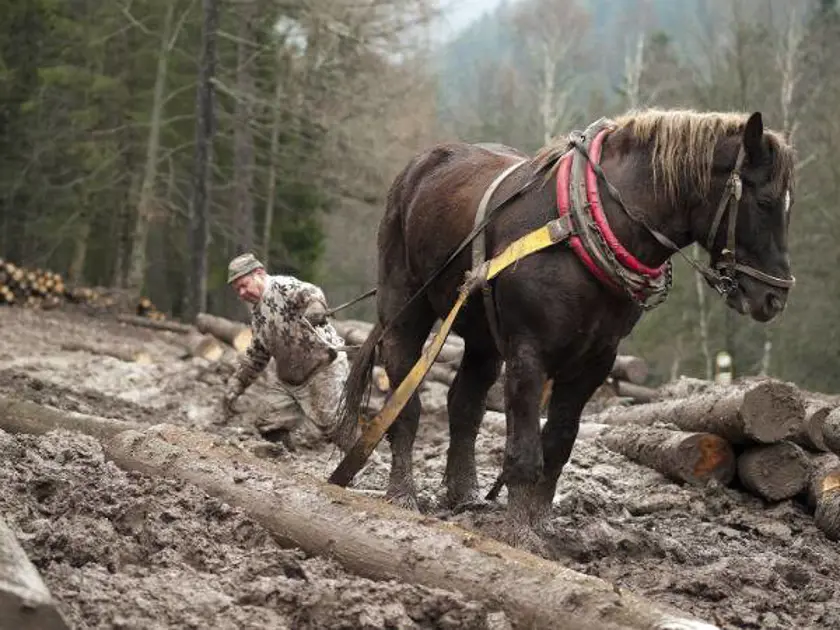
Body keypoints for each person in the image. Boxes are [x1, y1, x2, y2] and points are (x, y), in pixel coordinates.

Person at [221, 253, 355, 450]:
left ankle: (370, 466)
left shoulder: (282, 286)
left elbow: (311, 292)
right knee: (267, 420)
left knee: (339, 428)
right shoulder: (257, 315)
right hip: (290, 383)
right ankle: (286, 464)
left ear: (259, 273)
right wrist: (237, 382)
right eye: (237, 290)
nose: (241, 293)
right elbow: (257, 354)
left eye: (244, 285)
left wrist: (315, 308)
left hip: (322, 370)